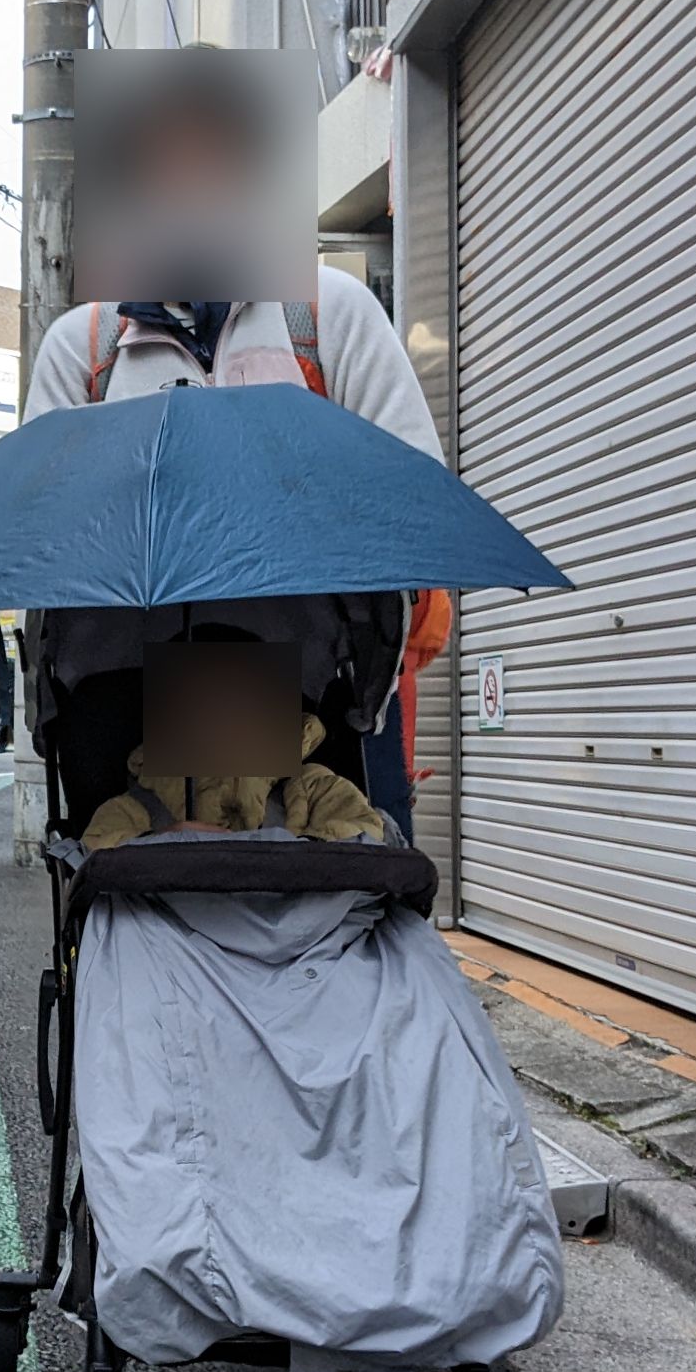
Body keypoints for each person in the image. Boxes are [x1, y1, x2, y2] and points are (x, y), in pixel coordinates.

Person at [24, 50, 449, 841]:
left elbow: (413, 499)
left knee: (323, 890)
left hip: (309, 671)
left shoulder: (330, 320)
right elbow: (47, 535)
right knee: (168, 886)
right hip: (130, 676)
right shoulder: (84, 350)